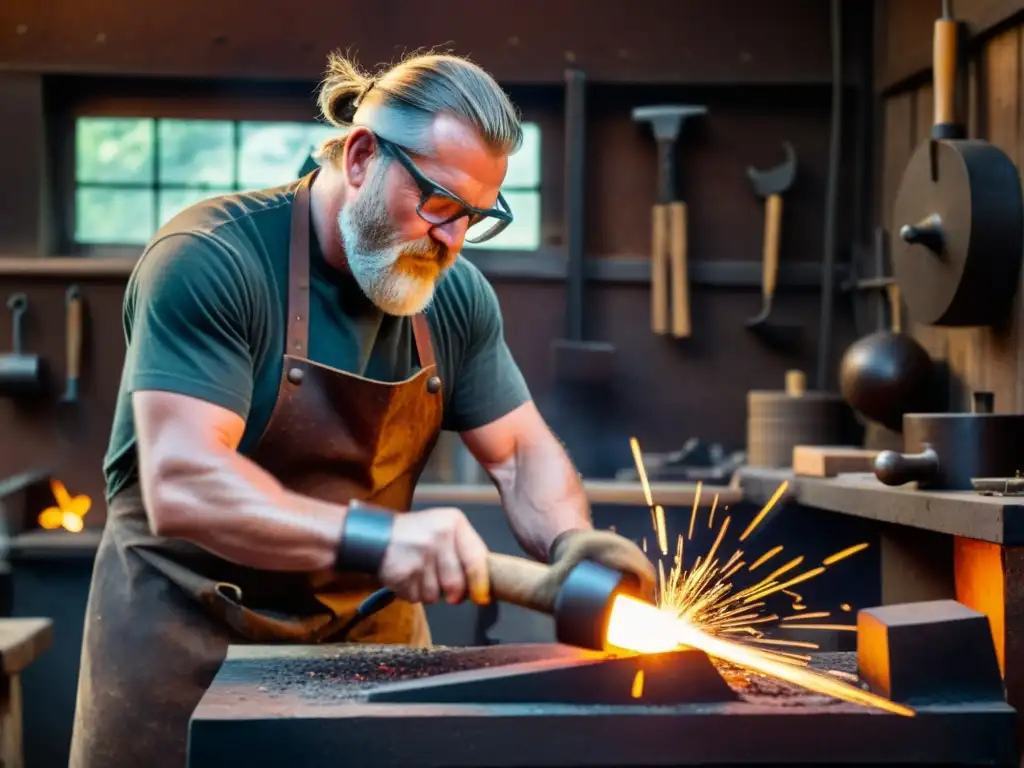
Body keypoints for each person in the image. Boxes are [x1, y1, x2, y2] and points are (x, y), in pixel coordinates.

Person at [69, 50, 656, 767]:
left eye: (476, 217)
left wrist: (573, 544)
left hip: (365, 657)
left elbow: (521, 453)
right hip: (186, 647)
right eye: (439, 204)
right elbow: (185, 482)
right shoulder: (211, 259)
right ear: (360, 156)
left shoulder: (457, 298)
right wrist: (382, 540)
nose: (453, 240)